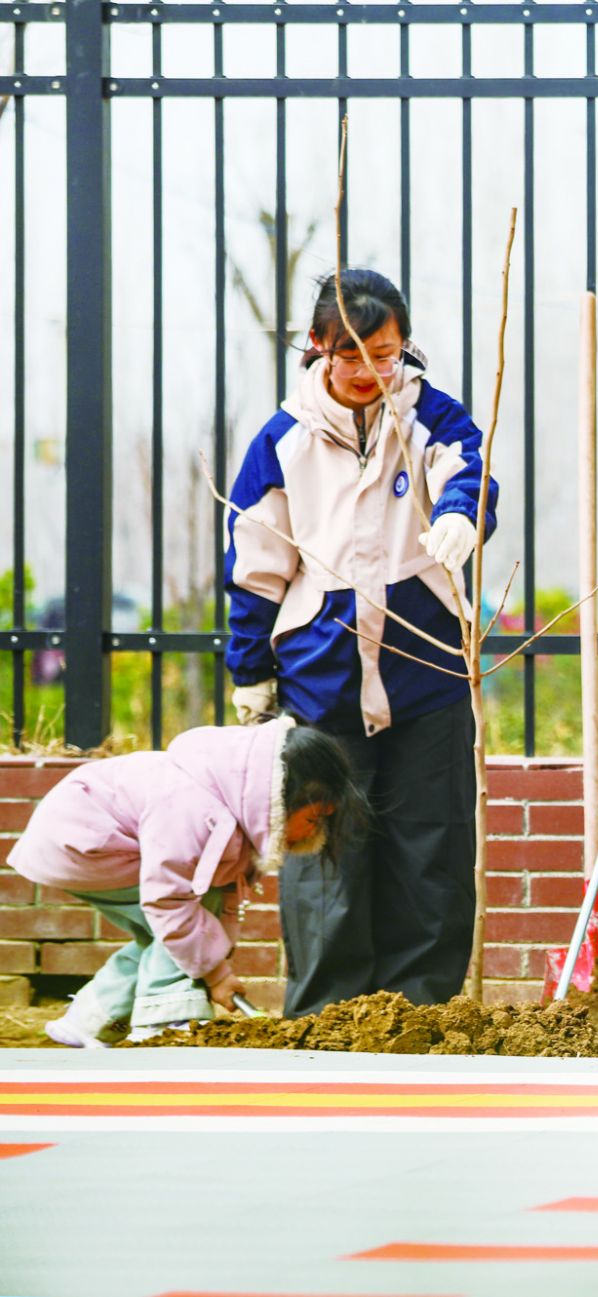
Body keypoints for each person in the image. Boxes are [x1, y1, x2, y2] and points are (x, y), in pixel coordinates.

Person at [224, 269, 499, 1017]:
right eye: (353, 355)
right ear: (319, 345)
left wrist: (460, 514)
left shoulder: (430, 414)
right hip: (322, 676)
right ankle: (328, 1013)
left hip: (426, 667)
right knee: (326, 851)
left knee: (431, 846)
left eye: (387, 354)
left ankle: (422, 1012)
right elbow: (254, 568)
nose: (372, 371)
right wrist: (250, 671)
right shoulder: (283, 441)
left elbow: (469, 472)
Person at [5, 720, 367, 1046]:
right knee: (182, 915)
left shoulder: (232, 803)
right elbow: (169, 901)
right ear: (280, 799)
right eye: (314, 818)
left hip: (85, 843)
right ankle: (167, 1020)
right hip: (82, 844)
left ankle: (89, 1020)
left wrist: (216, 970)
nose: (315, 831)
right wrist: (213, 975)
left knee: (170, 935)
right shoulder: (196, 806)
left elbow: (200, 916)